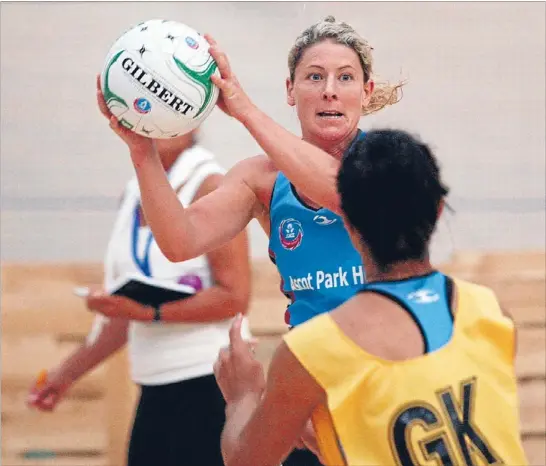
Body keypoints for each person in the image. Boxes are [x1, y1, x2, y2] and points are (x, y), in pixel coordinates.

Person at [96, 16, 402, 465]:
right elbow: (180, 241)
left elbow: (341, 191)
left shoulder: (392, 161)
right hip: (313, 391)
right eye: (314, 77)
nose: (329, 90)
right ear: (291, 90)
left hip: (392, 386)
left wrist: (243, 109)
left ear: (367, 91)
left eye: (345, 78)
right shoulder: (260, 179)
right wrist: (143, 153)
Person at [214, 129, 528, 466]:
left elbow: (246, 460)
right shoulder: (491, 313)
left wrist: (242, 396)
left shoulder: (313, 351)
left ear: (346, 222)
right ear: (438, 211)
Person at [27, 130, 251, 466]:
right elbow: (127, 311)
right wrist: (67, 373)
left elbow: (234, 296)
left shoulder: (211, 186)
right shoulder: (134, 193)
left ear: (188, 122)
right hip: (154, 382)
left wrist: (150, 312)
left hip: (211, 381)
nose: (152, 126)